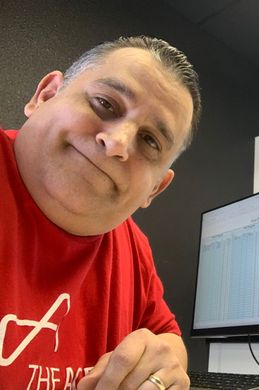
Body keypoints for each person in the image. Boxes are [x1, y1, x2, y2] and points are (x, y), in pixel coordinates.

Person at [0, 36, 201, 389]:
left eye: (150, 141)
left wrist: (164, 360)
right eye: (105, 104)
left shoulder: (133, 247)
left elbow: (167, 338)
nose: (119, 143)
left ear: (155, 188)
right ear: (44, 95)